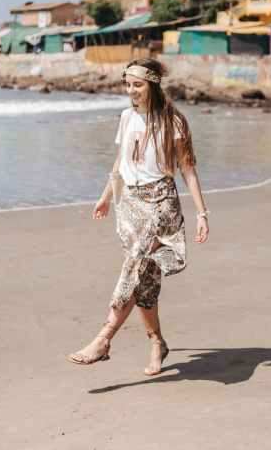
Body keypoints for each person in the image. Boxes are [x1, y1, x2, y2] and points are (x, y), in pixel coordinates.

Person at [67, 58, 210, 376]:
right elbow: (120, 162)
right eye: (127, 84)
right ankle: (157, 341)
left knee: (133, 267)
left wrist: (201, 213)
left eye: (138, 85)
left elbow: (187, 169)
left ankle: (103, 339)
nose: (131, 91)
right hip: (129, 205)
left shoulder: (173, 122)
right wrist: (105, 197)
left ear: (153, 85)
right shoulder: (126, 117)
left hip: (161, 206)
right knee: (144, 279)